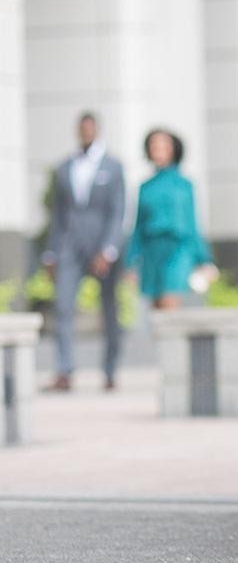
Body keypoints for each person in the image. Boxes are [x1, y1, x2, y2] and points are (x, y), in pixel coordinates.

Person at [42, 112, 126, 392]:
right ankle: (64, 370)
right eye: (82, 129)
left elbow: (117, 212)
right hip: (69, 247)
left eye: (90, 129)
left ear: (97, 131)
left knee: (109, 308)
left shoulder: (113, 167)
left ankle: (110, 370)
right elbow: (59, 214)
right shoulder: (65, 167)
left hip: (103, 248)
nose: (86, 133)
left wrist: (108, 249)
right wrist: (51, 253)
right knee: (63, 306)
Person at [126, 129, 216, 310]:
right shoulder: (145, 187)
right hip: (152, 250)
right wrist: (131, 261)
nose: (158, 150)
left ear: (173, 149)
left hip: (177, 249)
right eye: (154, 145)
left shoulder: (184, 185)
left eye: (163, 145)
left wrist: (204, 260)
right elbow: (139, 226)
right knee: (156, 309)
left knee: (170, 300)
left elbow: (192, 223)